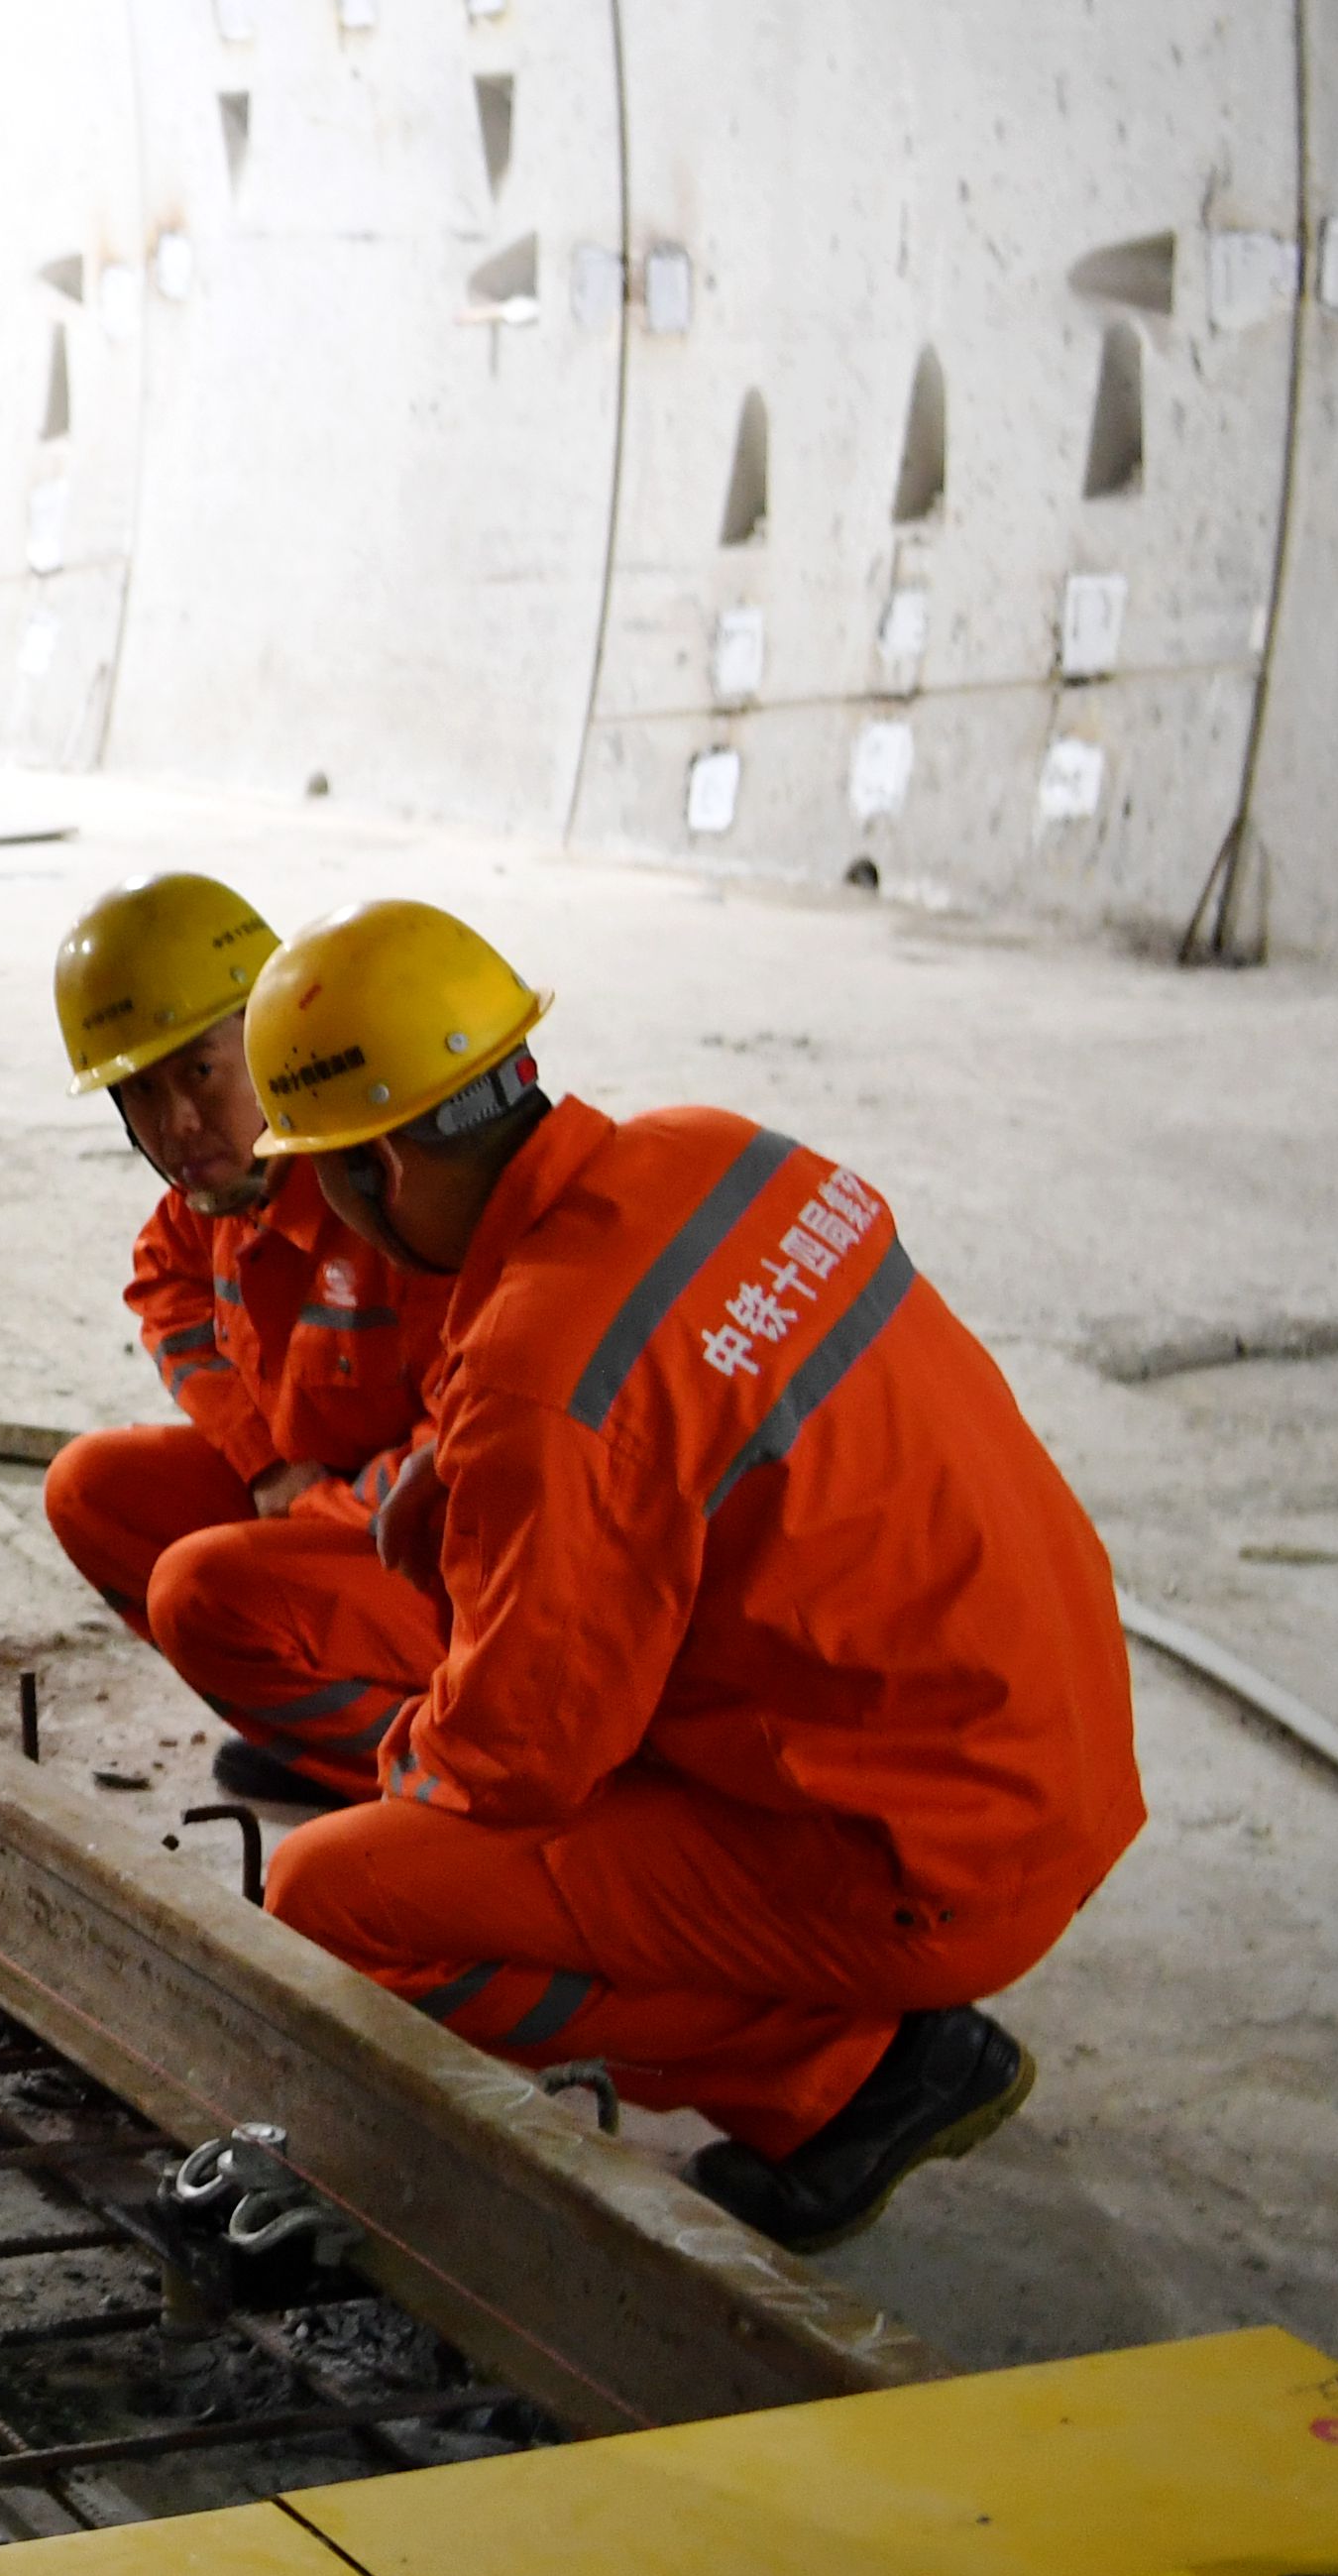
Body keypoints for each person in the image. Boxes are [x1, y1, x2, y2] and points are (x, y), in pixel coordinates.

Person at [236, 899, 1140, 2251]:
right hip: (1047, 1755)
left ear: (380, 1169)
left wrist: (406, 1789)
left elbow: (518, 1759)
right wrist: (471, 1467)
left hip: (925, 1862)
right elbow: (667, 1396)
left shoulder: (544, 1379)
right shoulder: (715, 1151)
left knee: (343, 1896)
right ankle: (845, 2032)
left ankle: (845, 2082)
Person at [37, 871, 453, 1808]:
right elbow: (166, 1286)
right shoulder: (214, 1201)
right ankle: (324, 1746)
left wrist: (326, 1516)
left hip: (452, 1553)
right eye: (140, 1094)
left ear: (269, 1041)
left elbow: (473, 1440)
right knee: (90, 1489)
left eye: (200, 1073)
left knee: (199, 1591)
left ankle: (440, 1780)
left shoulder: (389, 1189)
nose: (177, 1124)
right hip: (328, 1504)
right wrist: (267, 1464)